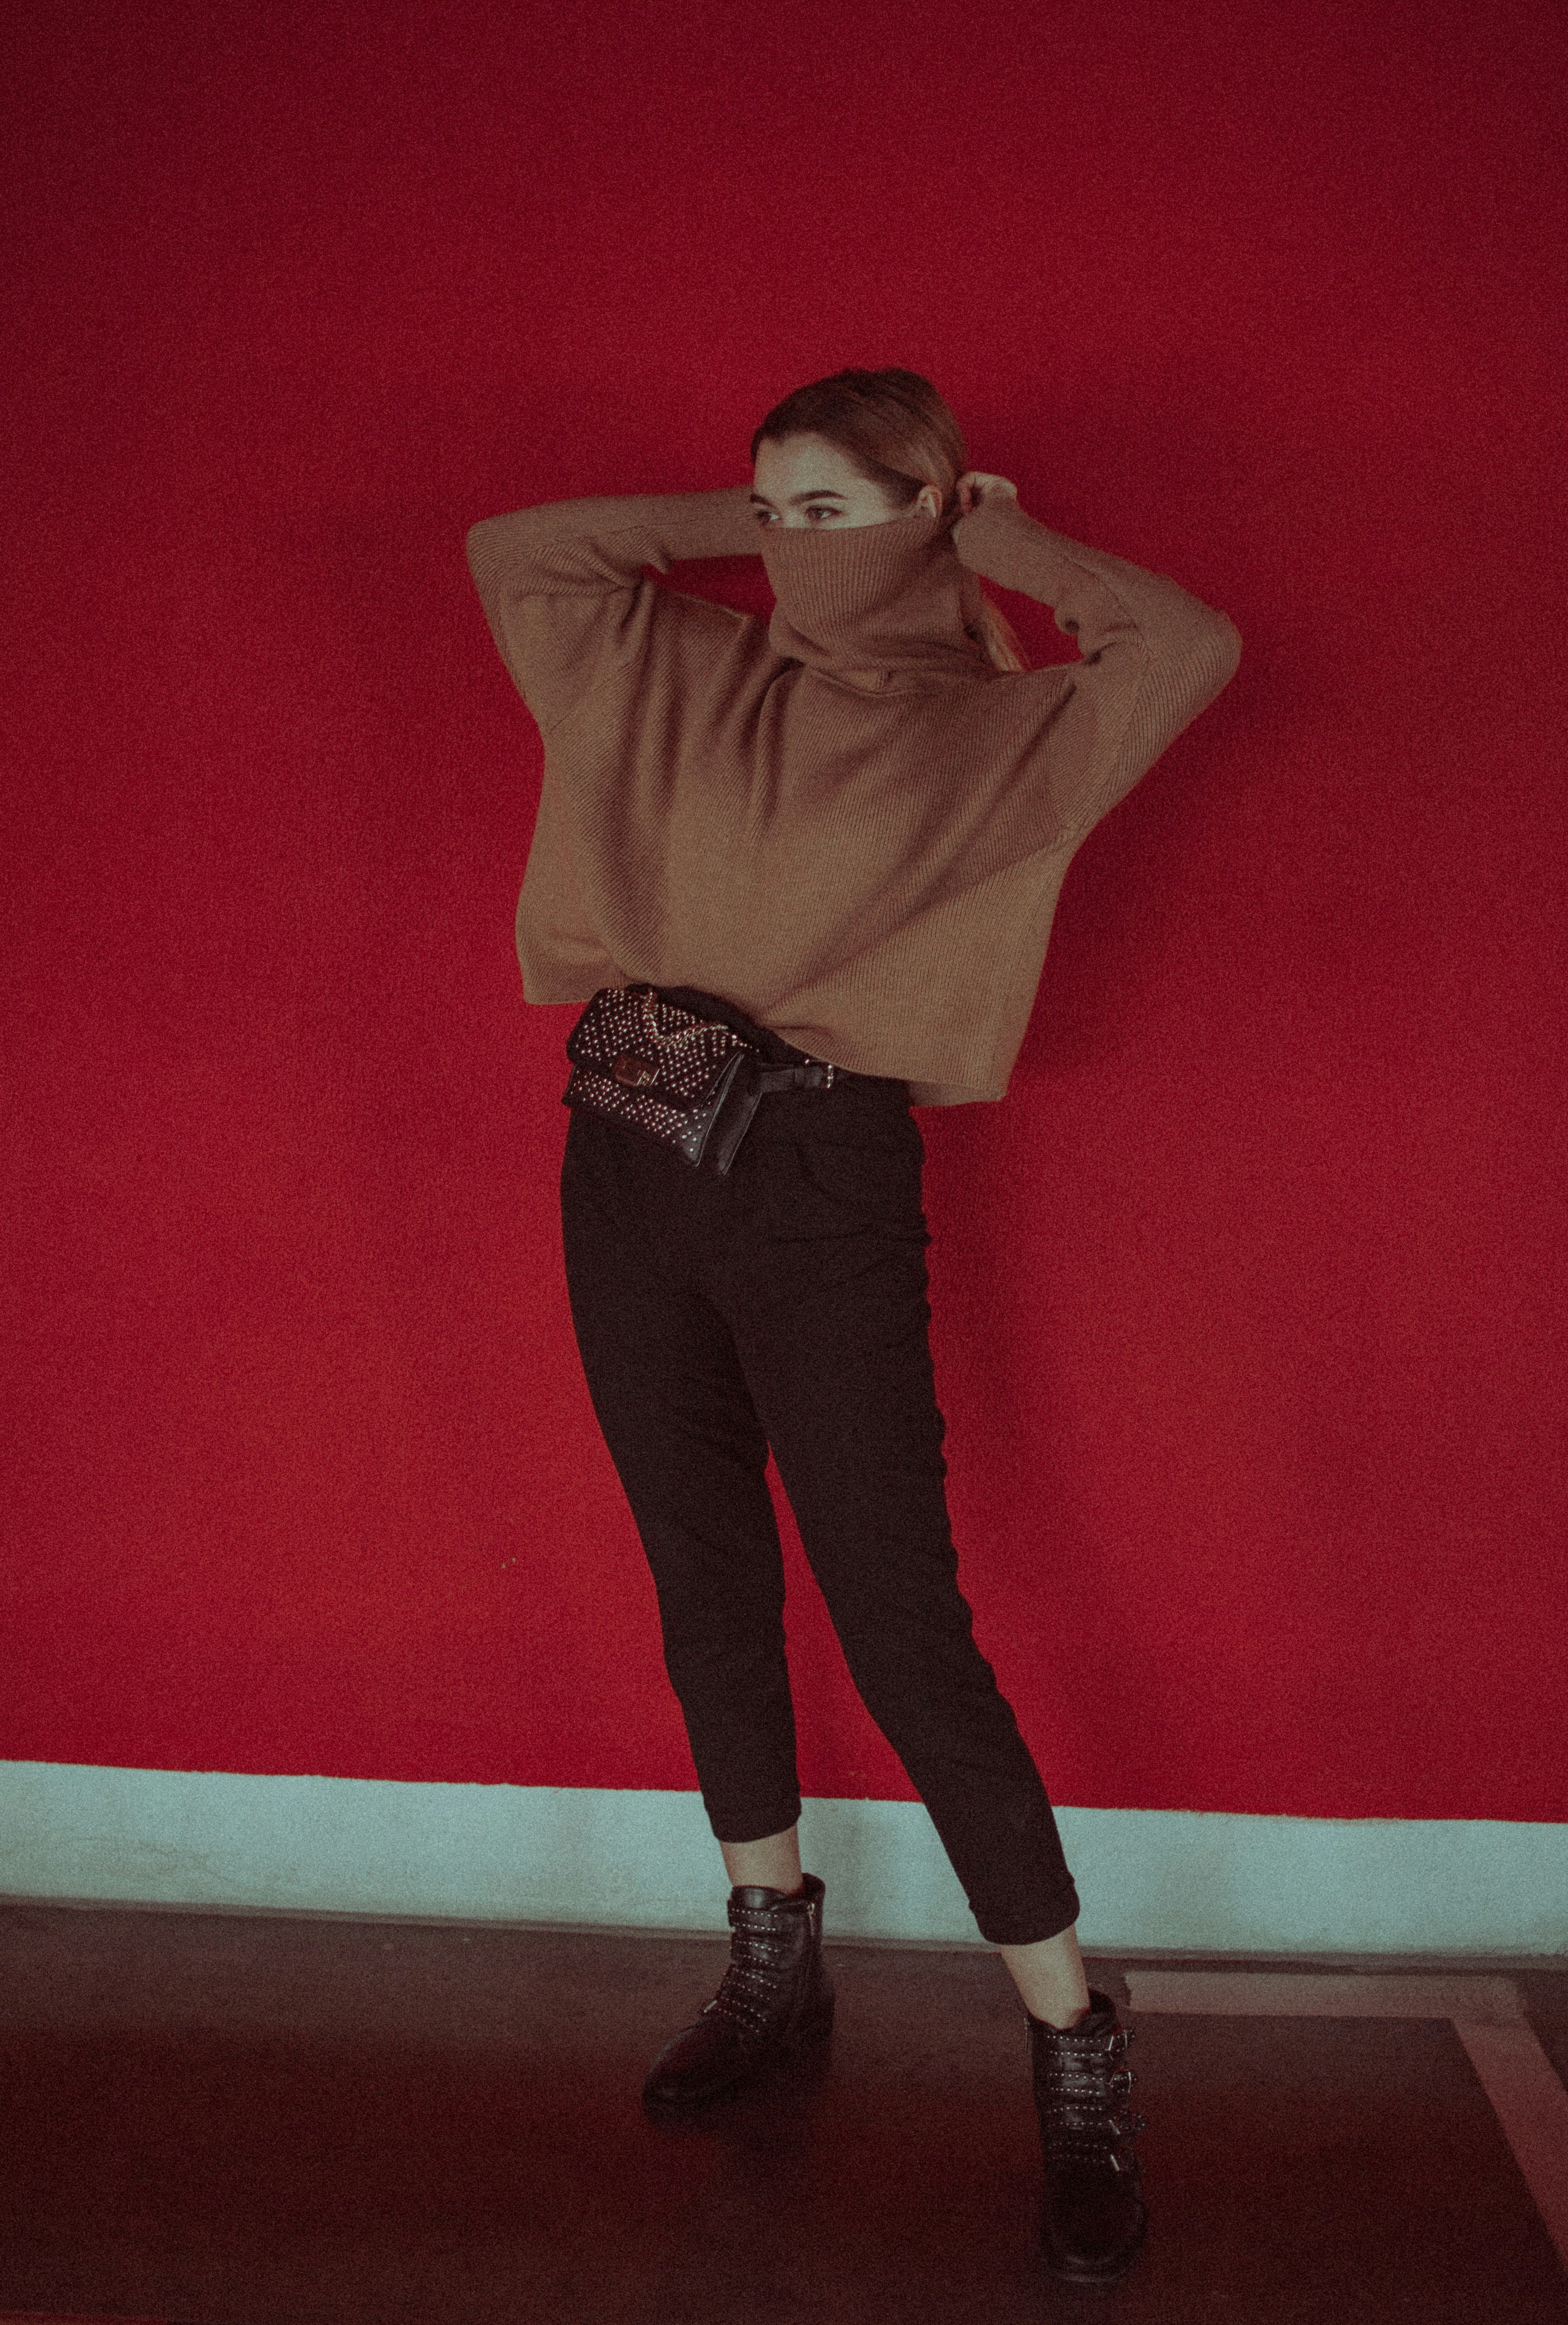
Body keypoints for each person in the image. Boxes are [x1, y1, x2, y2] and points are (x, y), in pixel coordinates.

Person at [465, 367, 1241, 2284]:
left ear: (934, 504)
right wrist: (770, 525)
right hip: (626, 1152)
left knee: (902, 1619)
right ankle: (772, 1955)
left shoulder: (1011, 729)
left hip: (819, 1184)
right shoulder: (676, 670)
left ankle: (1076, 2044)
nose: (798, 549)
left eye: (838, 512)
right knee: (702, 1568)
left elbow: (1191, 641)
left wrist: (991, 537)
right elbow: (520, 550)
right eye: (771, 508)